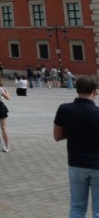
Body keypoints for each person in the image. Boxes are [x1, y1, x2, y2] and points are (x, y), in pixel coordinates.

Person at [54, 76, 99, 217]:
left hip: (76, 163)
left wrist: (74, 131)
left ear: (77, 89)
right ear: (95, 91)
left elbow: (57, 136)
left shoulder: (64, 109)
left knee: (77, 207)